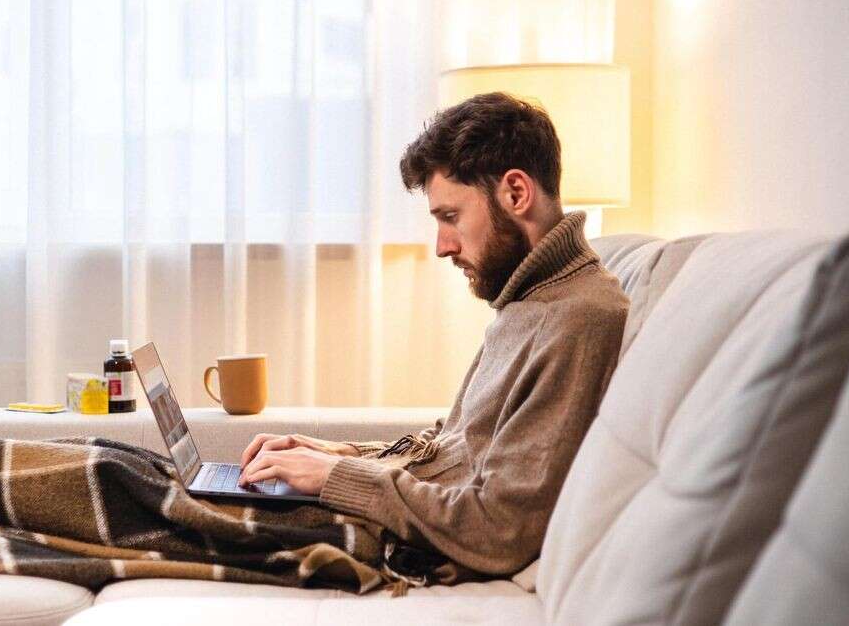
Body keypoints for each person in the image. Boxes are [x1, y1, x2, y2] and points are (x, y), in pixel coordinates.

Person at [238, 92, 629, 576]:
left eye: (450, 217)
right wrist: (341, 456)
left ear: (516, 194)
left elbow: (499, 529)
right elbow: (452, 449)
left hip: (397, 542)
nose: (443, 247)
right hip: (391, 513)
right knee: (132, 471)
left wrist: (340, 478)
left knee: (119, 483)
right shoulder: (528, 300)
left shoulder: (577, 321)